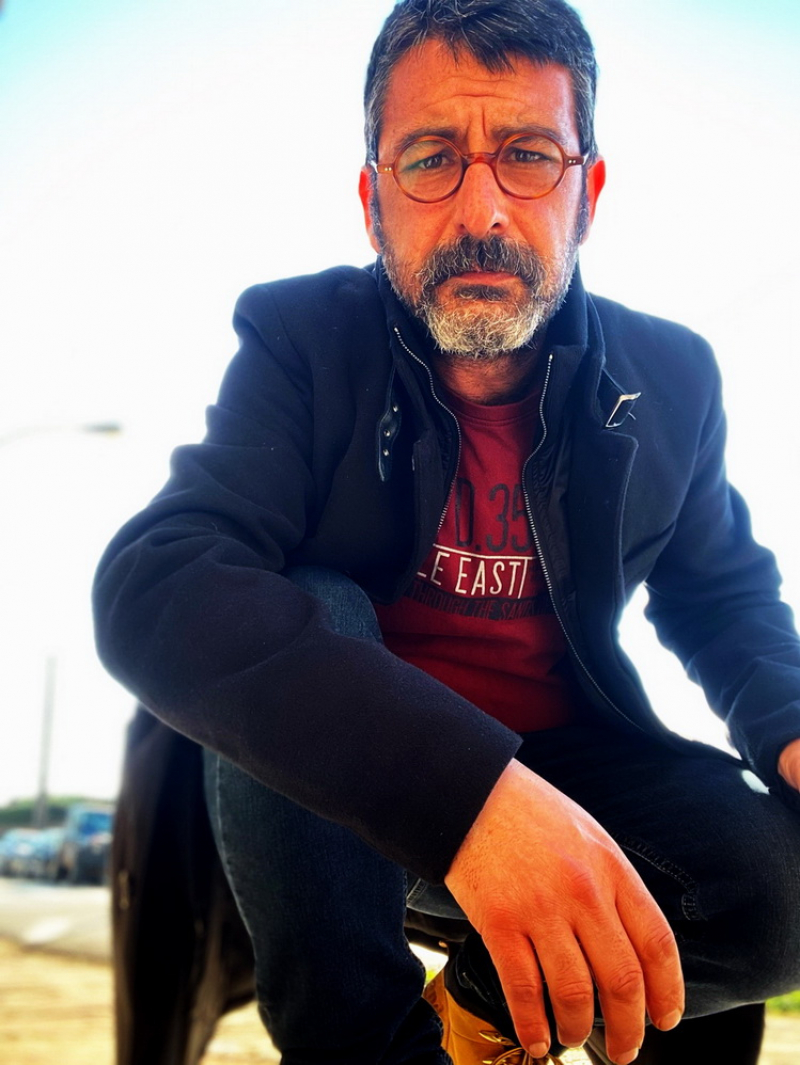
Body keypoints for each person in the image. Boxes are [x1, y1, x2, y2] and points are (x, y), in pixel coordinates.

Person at [92, 1, 800, 1063]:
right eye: (430, 160)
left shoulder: (672, 377)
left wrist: (790, 725)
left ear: (588, 192)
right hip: (339, 800)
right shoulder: (300, 339)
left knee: (778, 896)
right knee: (315, 600)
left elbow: (722, 597)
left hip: (577, 767)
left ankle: (477, 1016)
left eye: (528, 155)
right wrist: (467, 796)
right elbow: (162, 580)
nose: (482, 211)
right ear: (372, 201)